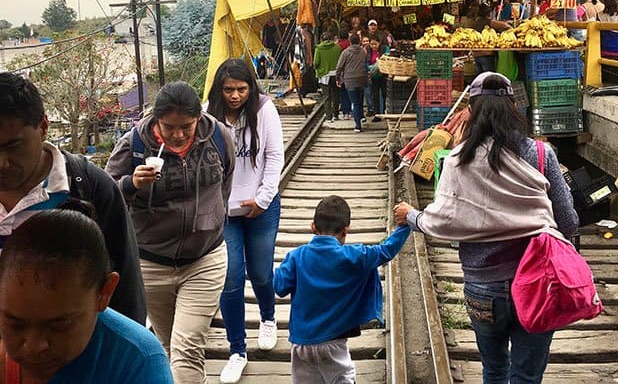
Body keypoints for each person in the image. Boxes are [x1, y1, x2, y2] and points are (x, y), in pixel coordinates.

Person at [394, 72, 578, 384]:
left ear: (473, 111)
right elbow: (569, 221)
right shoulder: (541, 154)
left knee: (494, 370)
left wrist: (411, 215)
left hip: (483, 288)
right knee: (528, 376)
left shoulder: (456, 160)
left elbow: (442, 219)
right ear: (513, 107)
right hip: (538, 282)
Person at [0, 73, 145, 332]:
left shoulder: (90, 189)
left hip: (74, 370)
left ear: (43, 126)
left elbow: (126, 297)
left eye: (12, 146)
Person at [105, 81, 234, 383]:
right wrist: (131, 184)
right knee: (165, 345)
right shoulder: (133, 145)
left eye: (186, 127)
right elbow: (105, 196)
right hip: (151, 263)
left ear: (198, 118)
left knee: (186, 347)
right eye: (169, 127)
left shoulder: (217, 137)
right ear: (156, 120)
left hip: (205, 258)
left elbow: (225, 183)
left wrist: (213, 218)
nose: (177, 135)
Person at [0, 208, 173, 383]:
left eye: (59, 325)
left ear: (105, 292)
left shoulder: (136, 363)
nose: (34, 346)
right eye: (14, 323)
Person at [274, 196, 410, 384]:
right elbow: (386, 250)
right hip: (333, 343)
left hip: (300, 343)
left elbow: (279, 287)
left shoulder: (296, 256)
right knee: (341, 378)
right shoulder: (355, 255)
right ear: (346, 230)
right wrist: (406, 224)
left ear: (312, 227)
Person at [206, 60, 284, 384]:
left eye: (241, 89)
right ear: (219, 89)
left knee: (262, 274)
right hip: (225, 213)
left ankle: (268, 317)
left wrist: (263, 199)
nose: (235, 95)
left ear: (251, 87)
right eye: (228, 89)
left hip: (261, 208)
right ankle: (237, 350)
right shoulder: (207, 115)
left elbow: (274, 156)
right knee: (231, 278)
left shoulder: (265, 110)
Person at [335, 34, 368, 133]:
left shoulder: (345, 52)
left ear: (350, 41)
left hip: (350, 80)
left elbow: (339, 67)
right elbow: (365, 62)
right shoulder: (363, 51)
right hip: (362, 79)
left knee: (355, 102)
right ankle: (361, 116)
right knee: (360, 101)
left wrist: (338, 78)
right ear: (359, 41)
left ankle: (358, 125)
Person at [313, 30, 342, 122]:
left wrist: (317, 68)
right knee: (336, 95)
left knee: (326, 96)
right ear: (332, 39)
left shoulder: (319, 48)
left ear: (322, 39)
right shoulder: (337, 47)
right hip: (336, 74)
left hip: (324, 75)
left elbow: (316, 62)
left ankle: (329, 116)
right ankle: (336, 114)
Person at [366, 38, 387, 120]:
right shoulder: (368, 51)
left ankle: (385, 112)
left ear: (379, 43)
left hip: (383, 75)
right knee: (374, 95)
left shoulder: (384, 49)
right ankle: (377, 114)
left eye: (375, 44)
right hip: (373, 76)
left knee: (385, 94)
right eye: (372, 44)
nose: (374, 46)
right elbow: (366, 63)